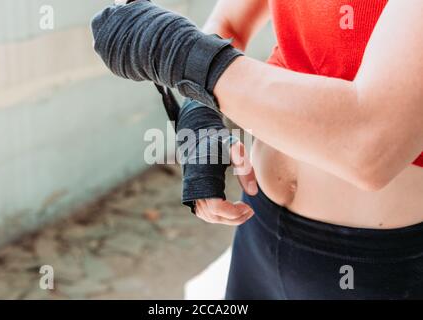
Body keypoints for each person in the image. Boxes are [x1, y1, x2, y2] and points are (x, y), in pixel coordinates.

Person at [94, 0, 423, 299]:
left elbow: (370, 146)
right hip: (258, 226)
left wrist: (181, 53)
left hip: (380, 264)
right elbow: (229, 24)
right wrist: (200, 118)